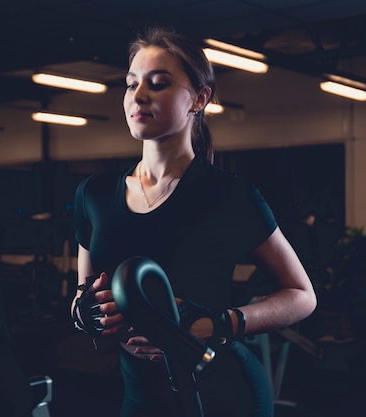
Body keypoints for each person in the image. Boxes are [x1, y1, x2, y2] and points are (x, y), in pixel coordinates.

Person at [71, 26, 317, 417]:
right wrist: (87, 313)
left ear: (198, 99)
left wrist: (221, 323)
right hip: (141, 396)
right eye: (131, 83)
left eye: (158, 83)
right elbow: (85, 294)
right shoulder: (94, 195)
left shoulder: (228, 195)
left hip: (224, 392)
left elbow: (302, 296)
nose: (139, 95)